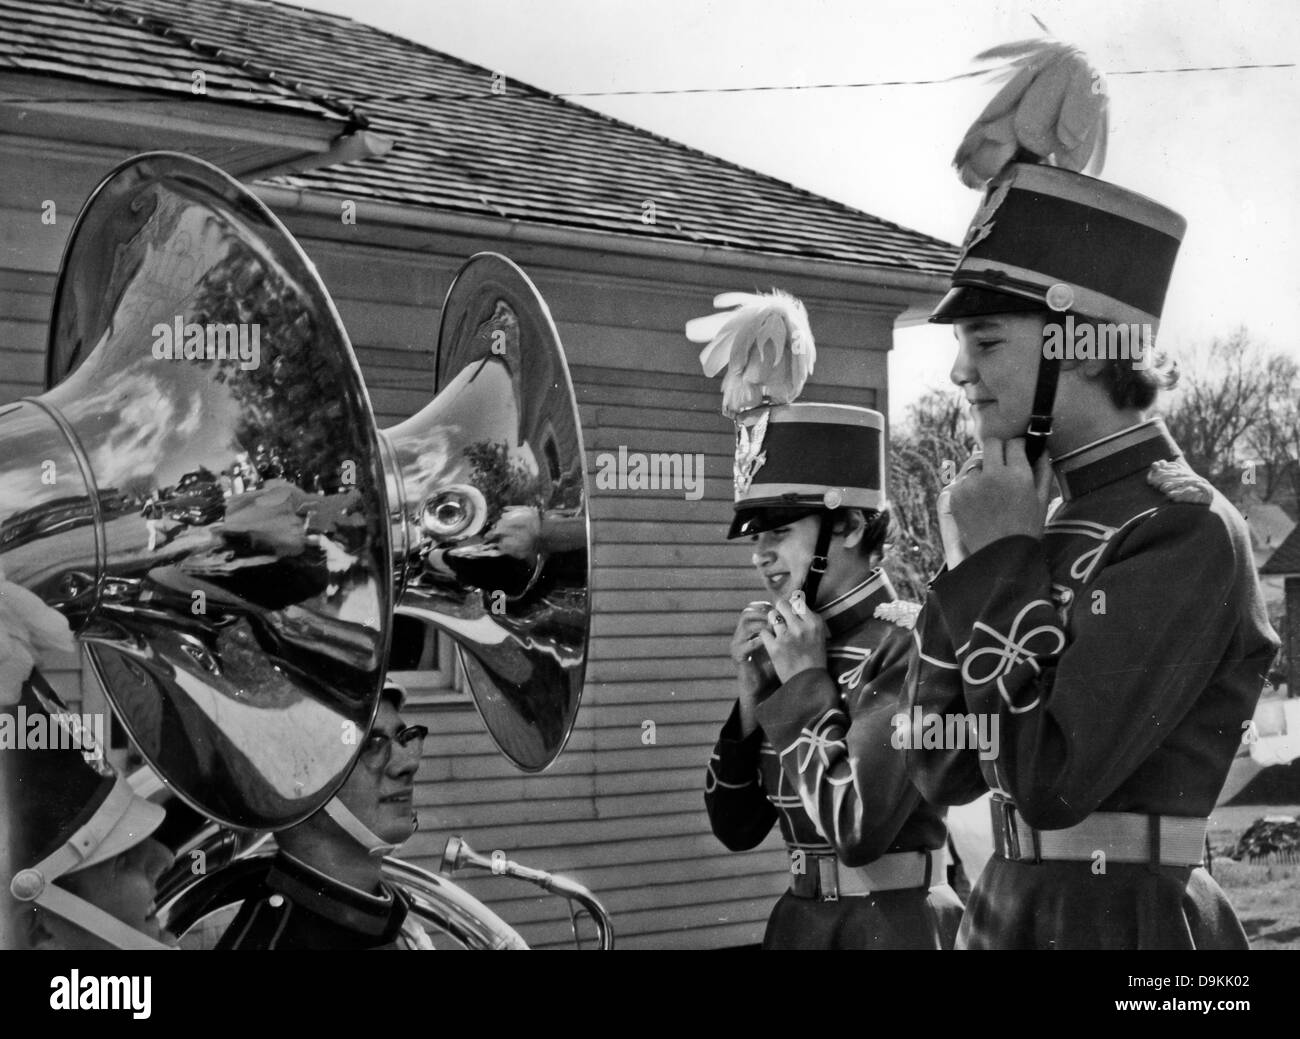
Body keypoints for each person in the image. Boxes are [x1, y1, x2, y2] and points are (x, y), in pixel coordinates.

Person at [903, 39, 1279, 949]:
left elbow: (1050, 778)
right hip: (1007, 916)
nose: (959, 372)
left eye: (987, 341)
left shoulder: (1183, 528)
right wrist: (971, 562)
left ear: (1078, 345)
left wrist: (1000, 562)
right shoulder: (1037, 516)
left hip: (1134, 929)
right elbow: (936, 768)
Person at [693, 292, 962, 950]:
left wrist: (805, 684)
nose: (760, 554)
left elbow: (857, 827)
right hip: (800, 925)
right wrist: (752, 697)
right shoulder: (799, 643)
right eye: (755, 535)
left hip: (891, 930)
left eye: (780, 530)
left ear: (848, 526)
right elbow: (735, 825)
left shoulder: (909, 640)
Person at [216, 679, 431, 949]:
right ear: (296, 783)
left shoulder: (398, 926)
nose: (408, 764)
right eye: (370, 744)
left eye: (404, 738)